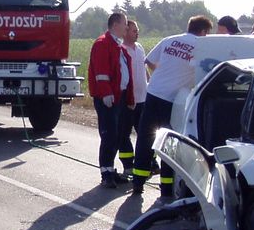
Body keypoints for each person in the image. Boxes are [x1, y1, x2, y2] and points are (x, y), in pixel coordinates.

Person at [131, 15, 214, 200]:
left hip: (153, 94)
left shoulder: (170, 40)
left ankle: (137, 182)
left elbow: (149, 61)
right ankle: (166, 189)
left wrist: (163, 75)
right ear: (203, 31)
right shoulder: (200, 47)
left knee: (145, 138)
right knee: (169, 142)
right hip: (172, 101)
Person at [87, 12, 135, 188]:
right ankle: (106, 172)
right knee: (109, 135)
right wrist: (106, 93)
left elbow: (123, 72)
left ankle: (111, 170)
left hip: (119, 97)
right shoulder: (102, 43)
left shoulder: (118, 46)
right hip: (108, 98)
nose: (127, 27)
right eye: (125, 23)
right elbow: (101, 72)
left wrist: (129, 97)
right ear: (115, 24)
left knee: (118, 134)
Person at [117, 19, 148, 180]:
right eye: (134, 30)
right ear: (126, 32)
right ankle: (128, 165)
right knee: (124, 133)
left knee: (146, 133)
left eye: (138, 30)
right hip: (128, 100)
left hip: (143, 99)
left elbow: (144, 71)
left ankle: (150, 164)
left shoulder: (140, 48)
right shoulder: (121, 50)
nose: (137, 33)